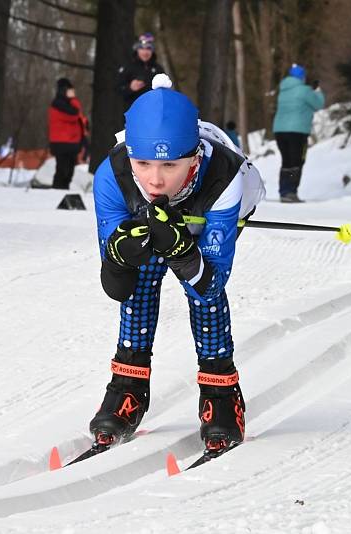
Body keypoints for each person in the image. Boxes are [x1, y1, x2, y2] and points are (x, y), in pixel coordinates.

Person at [90, 74, 265, 456]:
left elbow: (210, 285)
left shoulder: (225, 178)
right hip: (162, 215)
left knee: (201, 297)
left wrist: (183, 251)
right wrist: (120, 254)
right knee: (139, 280)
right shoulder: (112, 175)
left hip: (210, 208)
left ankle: (221, 394)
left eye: (170, 165)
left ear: (194, 156)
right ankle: (128, 389)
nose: (154, 180)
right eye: (143, 163)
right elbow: (116, 285)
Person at [272, 63, 325, 202]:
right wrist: (317, 90)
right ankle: (291, 192)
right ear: (302, 77)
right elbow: (318, 104)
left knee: (286, 161)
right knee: (297, 161)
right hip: (297, 131)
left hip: (279, 130)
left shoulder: (283, 91)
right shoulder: (304, 90)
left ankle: (284, 191)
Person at [48, 78, 88, 189]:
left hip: (70, 143)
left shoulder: (65, 103)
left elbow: (80, 119)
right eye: (70, 90)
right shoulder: (58, 104)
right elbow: (74, 114)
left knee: (69, 171)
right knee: (62, 171)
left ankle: (62, 190)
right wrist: (74, 100)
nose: (73, 93)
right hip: (62, 143)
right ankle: (57, 191)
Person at [116, 32, 166, 110]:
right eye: (142, 48)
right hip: (134, 113)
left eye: (148, 48)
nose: (145, 52)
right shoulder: (128, 67)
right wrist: (130, 88)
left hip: (154, 113)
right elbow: (117, 90)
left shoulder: (158, 69)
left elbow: (165, 92)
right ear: (137, 50)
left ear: (152, 51)